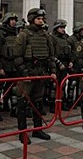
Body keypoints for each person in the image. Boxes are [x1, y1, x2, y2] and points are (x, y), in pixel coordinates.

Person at [13, 8, 54, 144]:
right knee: (23, 103)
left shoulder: (45, 35)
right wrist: (24, 73)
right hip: (28, 73)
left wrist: (52, 71)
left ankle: (37, 129)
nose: (41, 21)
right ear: (31, 19)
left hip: (41, 72)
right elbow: (17, 56)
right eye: (38, 19)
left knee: (38, 102)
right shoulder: (24, 35)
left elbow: (51, 55)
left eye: (42, 19)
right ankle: (22, 132)